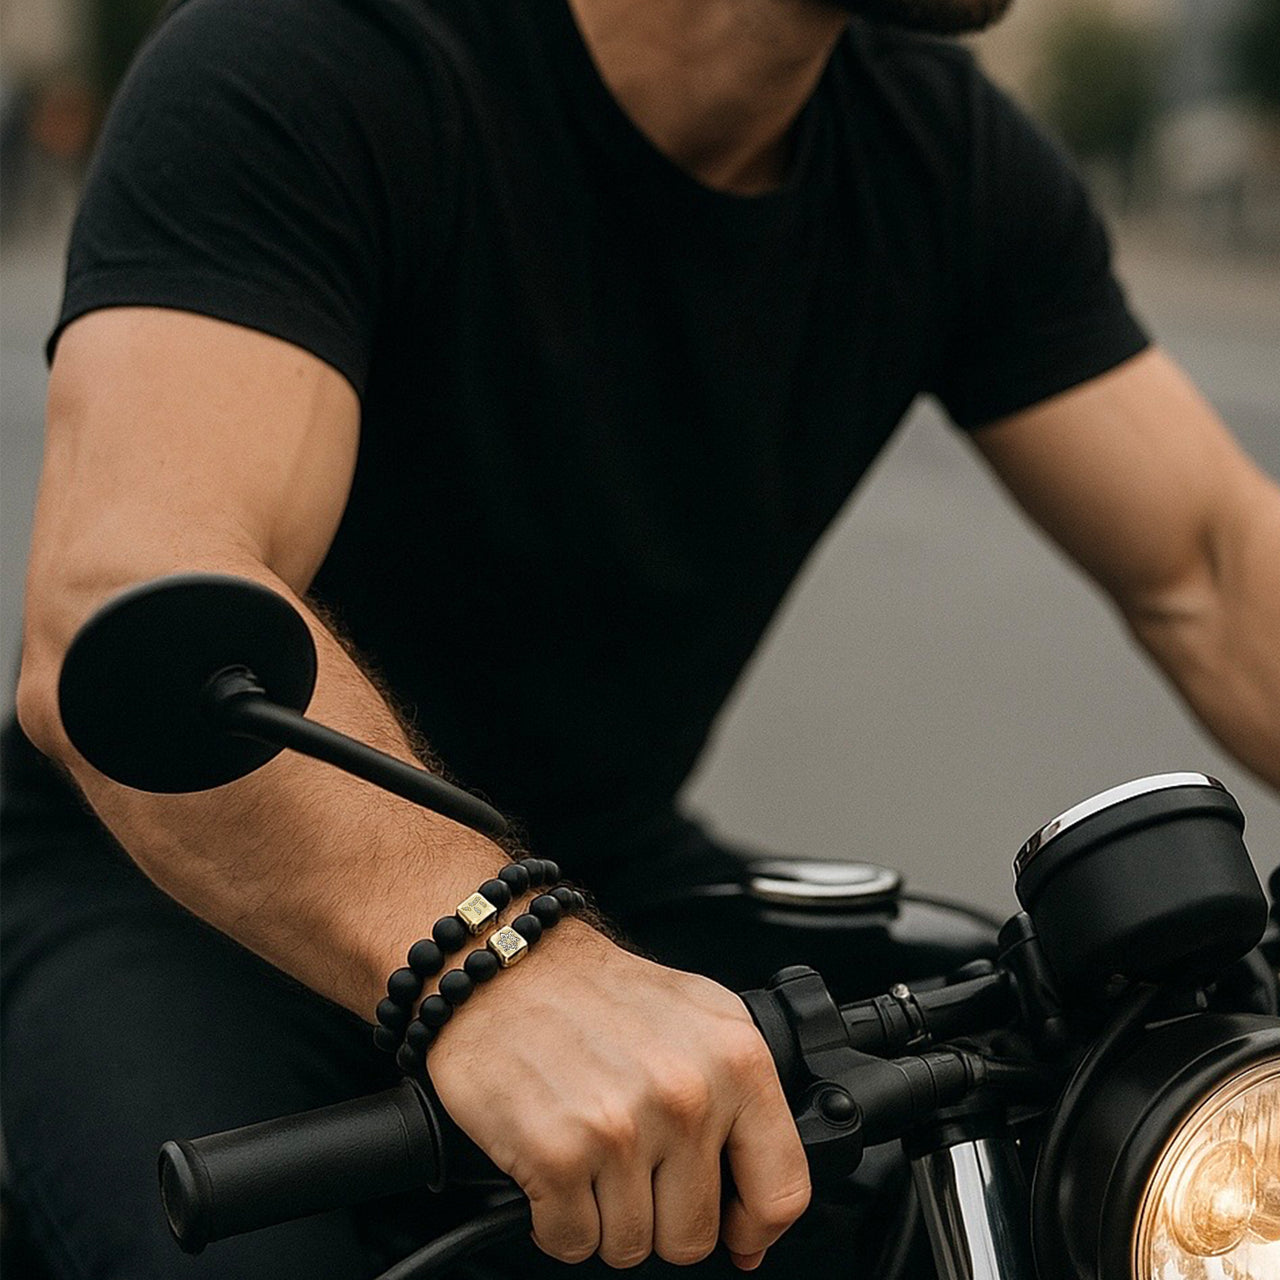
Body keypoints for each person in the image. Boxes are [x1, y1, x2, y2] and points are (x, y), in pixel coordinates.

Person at [5, 0, 1279, 1275]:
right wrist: (495, 959)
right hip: (170, 892)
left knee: (1060, 1131)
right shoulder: (310, 58)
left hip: (595, 877)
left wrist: (540, 949)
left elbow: (1211, 562)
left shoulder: (938, 150)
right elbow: (135, 580)